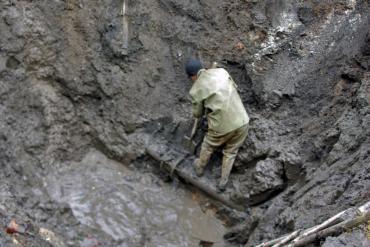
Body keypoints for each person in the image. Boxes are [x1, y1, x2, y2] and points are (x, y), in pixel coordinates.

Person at [185, 58, 249, 191]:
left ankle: (199, 168)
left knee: (208, 145)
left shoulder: (196, 89)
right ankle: (223, 182)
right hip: (243, 120)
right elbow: (234, 88)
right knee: (231, 152)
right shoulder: (221, 72)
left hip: (222, 127)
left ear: (192, 77)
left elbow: (197, 114)